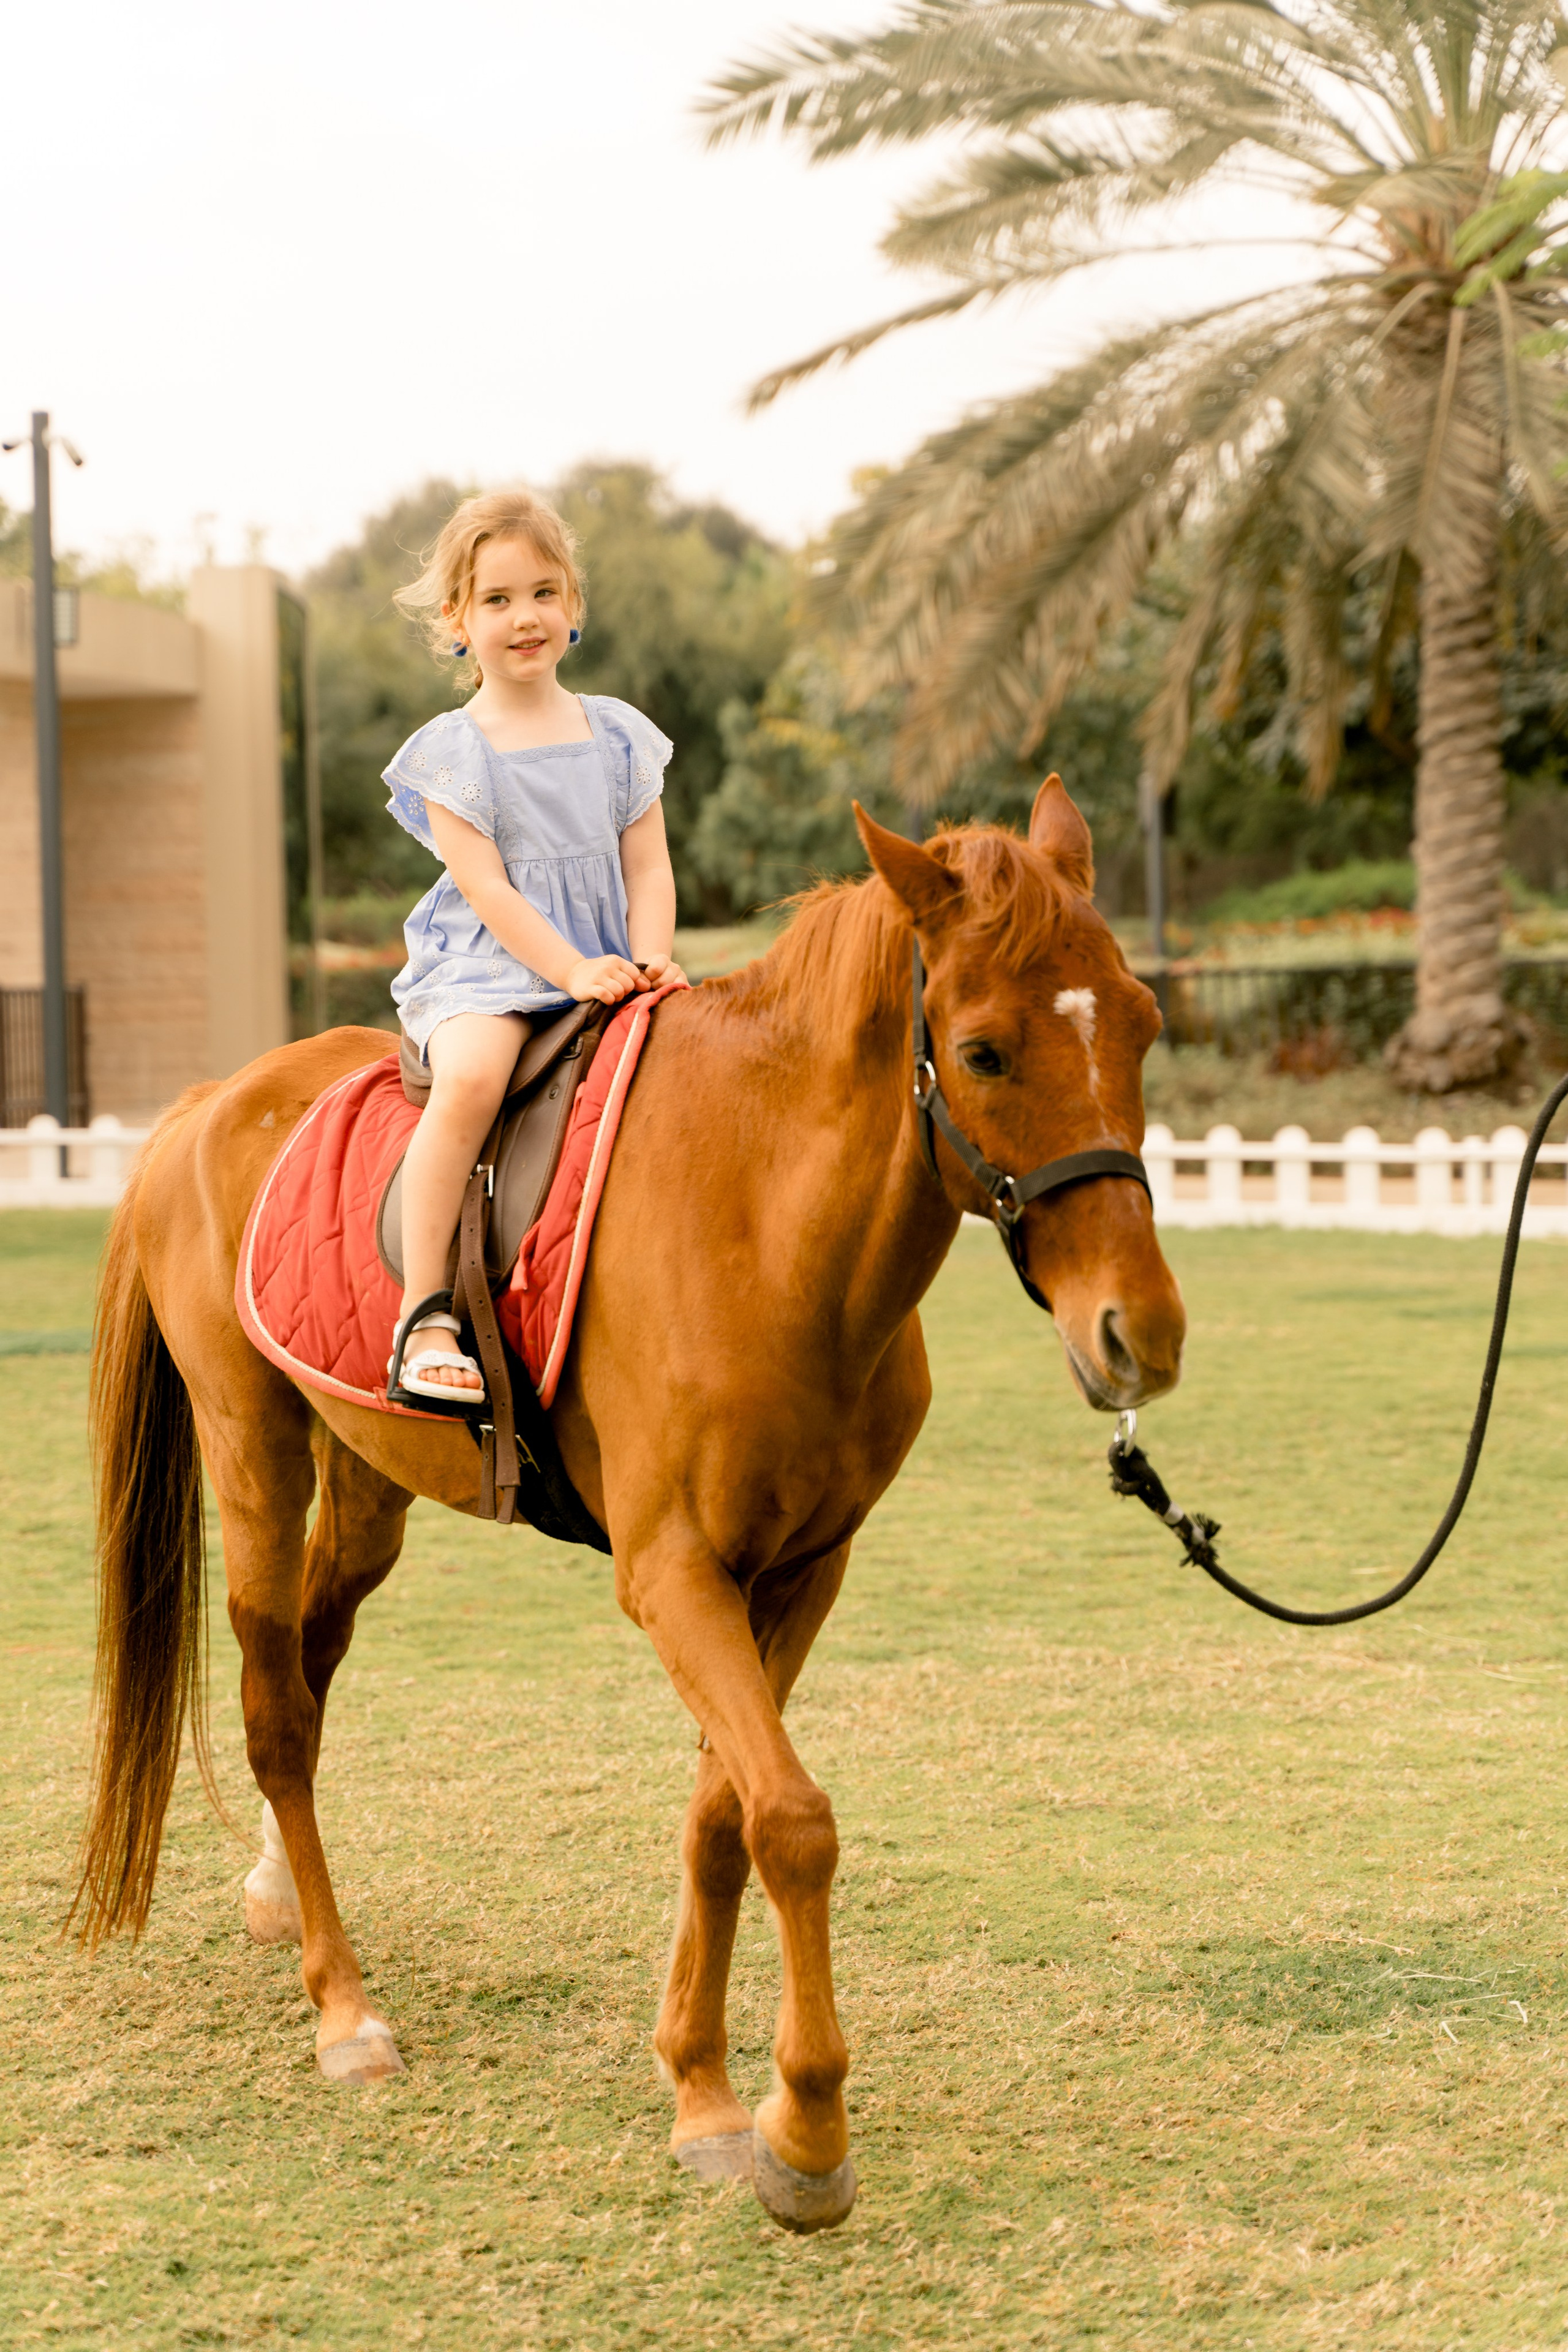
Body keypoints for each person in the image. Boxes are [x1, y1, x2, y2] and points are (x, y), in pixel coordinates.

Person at [381, 488, 684, 1403]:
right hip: (489, 965)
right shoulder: (452, 753)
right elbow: (489, 891)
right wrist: (570, 969)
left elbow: (649, 868)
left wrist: (652, 956)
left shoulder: (618, 735)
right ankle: (424, 1311)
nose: (526, 617)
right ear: (457, 621)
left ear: (573, 603)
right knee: (475, 1077)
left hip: (609, 959)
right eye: (498, 599)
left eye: (545, 593)